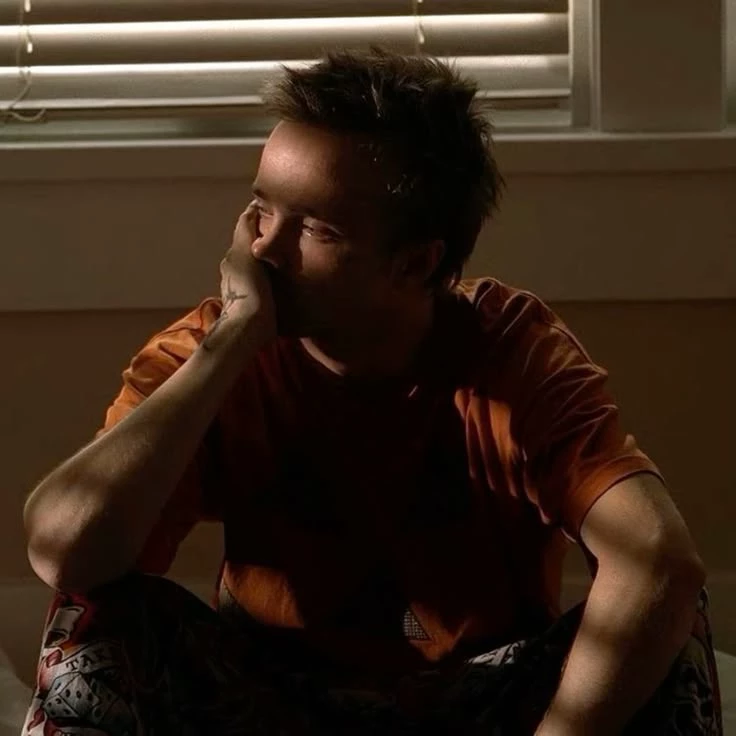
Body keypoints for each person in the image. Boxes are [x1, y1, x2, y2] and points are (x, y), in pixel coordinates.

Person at [22, 49, 721, 735]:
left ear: (415, 263)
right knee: (95, 617)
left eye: (315, 229)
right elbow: (64, 551)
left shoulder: (513, 353)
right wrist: (230, 344)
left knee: (671, 630)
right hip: (268, 700)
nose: (264, 251)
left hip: (476, 703)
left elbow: (659, 561)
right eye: (260, 210)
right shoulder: (214, 348)